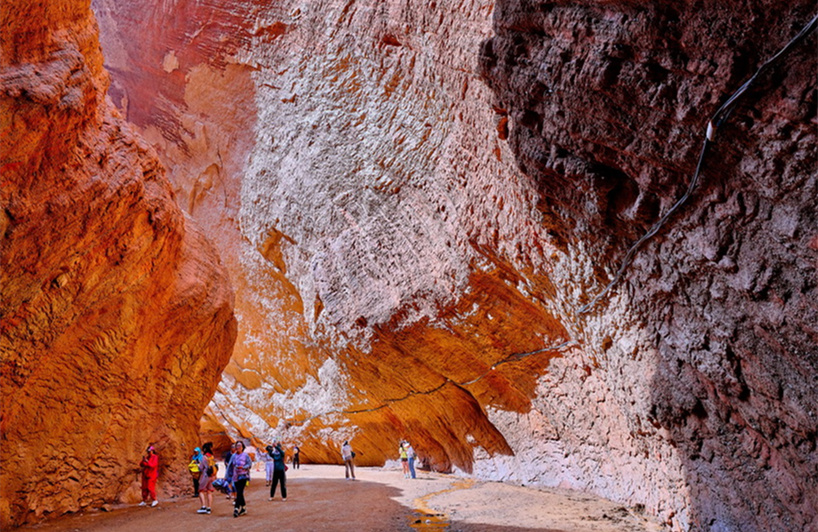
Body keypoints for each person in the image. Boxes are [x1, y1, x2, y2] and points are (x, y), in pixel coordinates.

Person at [230, 441, 252, 517]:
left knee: (239, 492)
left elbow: (249, 464)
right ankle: (244, 508)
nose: (238, 447)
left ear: (242, 447)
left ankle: (236, 509)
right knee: (239, 492)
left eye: (239, 445)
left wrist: (243, 467)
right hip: (235, 477)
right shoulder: (233, 456)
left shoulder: (246, 456)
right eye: (237, 445)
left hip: (243, 476)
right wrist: (227, 477)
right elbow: (230, 466)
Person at [196, 442, 216, 514]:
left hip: (205, 475)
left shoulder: (204, 457)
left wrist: (198, 465)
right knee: (209, 491)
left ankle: (203, 507)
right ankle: (209, 508)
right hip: (212, 476)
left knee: (201, 490)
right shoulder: (212, 457)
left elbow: (201, 468)